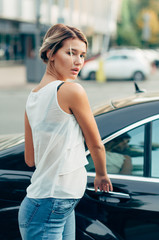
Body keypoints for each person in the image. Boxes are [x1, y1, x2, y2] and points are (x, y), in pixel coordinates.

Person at [18, 23, 113, 240]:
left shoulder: (32, 98)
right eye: (71, 53)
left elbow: (30, 159)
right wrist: (101, 174)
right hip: (49, 204)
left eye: (82, 55)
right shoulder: (71, 90)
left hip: (55, 204)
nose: (78, 61)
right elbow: (96, 143)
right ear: (51, 53)